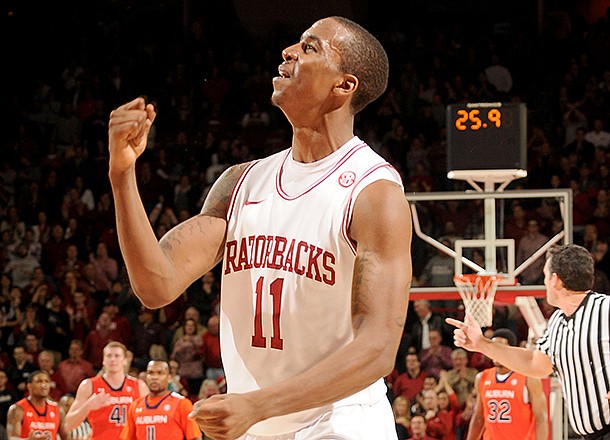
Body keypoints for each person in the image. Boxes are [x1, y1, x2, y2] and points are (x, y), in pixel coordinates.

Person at [108, 15, 412, 439]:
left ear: (344, 86)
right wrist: (122, 176)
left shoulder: (373, 192)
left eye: (309, 48)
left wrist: (259, 404)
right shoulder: (239, 183)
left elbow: (378, 347)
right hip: (257, 424)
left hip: (340, 423)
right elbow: (155, 284)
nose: (288, 51)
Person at [447, 244, 610, 439]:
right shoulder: (558, 322)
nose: (544, 282)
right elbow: (534, 364)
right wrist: (481, 344)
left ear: (555, 280)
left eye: (545, 276)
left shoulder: (605, 308)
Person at [466, 328, 548, 440]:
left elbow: (541, 418)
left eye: (500, 348)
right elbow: (479, 417)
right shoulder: (482, 378)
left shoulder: (528, 378)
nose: (495, 352)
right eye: (494, 348)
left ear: (510, 350)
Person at [64, 341, 149, 439]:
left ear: (125, 360)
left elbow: (149, 420)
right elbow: (67, 425)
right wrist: (87, 406)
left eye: (117, 356)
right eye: (109, 356)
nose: (112, 359)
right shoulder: (89, 385)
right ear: (103, 360)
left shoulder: (139, 386)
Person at [119, 359, 202, 440]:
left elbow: (195, 437)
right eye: (150, 373)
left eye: (160, 373)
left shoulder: (182, 403)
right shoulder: (135, 405)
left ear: (169, 377)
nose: (154, 377)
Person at [6, 369, 69, 439]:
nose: (43, 385)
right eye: (39, 381)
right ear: (29, 386)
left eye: (47, 381)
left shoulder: (58, 409)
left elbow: (66, 438)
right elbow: (12, 438)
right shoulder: (17, 409)